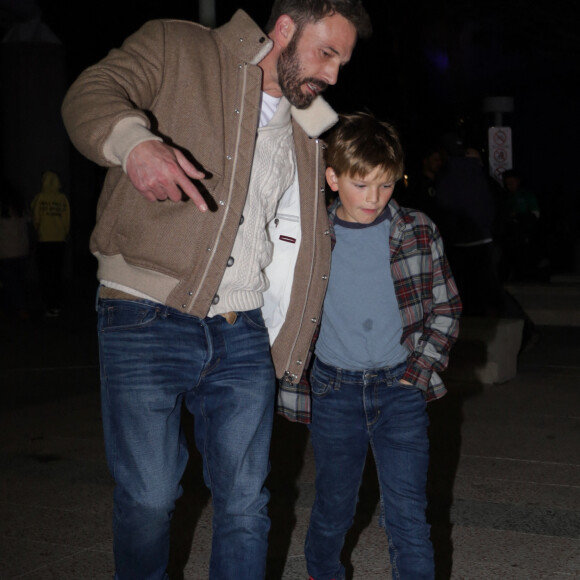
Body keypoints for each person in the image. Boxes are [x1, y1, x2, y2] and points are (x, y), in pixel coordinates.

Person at [61, 2, 371, 579]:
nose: (332, 75)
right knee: (150, 499)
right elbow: (91, 91)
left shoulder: (313, 118)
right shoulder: (179, 45)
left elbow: (361, 167)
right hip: (143, 314)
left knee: (247, 503)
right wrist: (133, 144)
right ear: (284, 29)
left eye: (342, 62)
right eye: (326, 53)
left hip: (243, 327)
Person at [300, 112, 462, 580]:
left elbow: (446, 306)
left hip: (401, 389)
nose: (374, 198)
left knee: (409, 514)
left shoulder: (416, 229)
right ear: (332, 177)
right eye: (361, 184)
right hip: (335, 391)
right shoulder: (313, 237)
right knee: (335, 504)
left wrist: (419, 372)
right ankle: (321, 571)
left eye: (386, 185)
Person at [434, 136, 502, 316]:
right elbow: (495, 202)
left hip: (460, 242)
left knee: (465, 289)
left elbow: (443, 206)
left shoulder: (445, 175)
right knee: (485, 289)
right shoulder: (480, 173)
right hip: (483, 239)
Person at [30, 170, 71, 317]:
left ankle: (49, 305)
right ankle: (57, 305)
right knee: (57, 273)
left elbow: (35, 218)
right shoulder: (62, 199)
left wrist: (39, 231)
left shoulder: (40, 198)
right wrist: (63, 234)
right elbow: (67, 221)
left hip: (44, 241)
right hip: (59, 241)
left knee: (45, 274)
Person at [0, 184, 32, 321]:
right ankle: (19, 308)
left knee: (8, 282)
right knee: (18, 280)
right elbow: (30, 226)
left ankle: (15, 308)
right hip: (22, 249)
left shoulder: (2, 208)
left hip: (5, 251)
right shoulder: (21, 208)